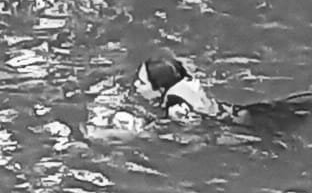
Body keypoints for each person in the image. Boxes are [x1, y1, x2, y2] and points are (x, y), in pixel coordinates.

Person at [133, 56, 312, 132]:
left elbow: (193, 136)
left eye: (142, 82)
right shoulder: (183, 77)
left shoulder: (176, 107)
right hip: (245, 112)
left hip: (244, 126)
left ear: (160, 89)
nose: (136, 85)